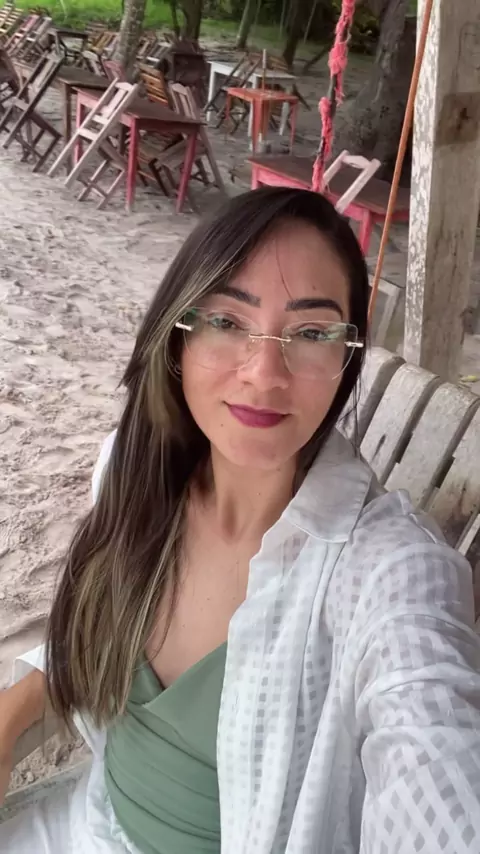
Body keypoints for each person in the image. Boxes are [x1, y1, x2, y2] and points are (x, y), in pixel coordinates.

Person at [1, 187, 480, 853]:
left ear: (345, 359)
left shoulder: (388, 571)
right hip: (84, 823)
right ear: (178, 335)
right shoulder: (133, 475)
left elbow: (433, 753)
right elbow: (87, 636)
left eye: (311, 333)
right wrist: (13, 715)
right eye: (227, 321)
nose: (264, 373)